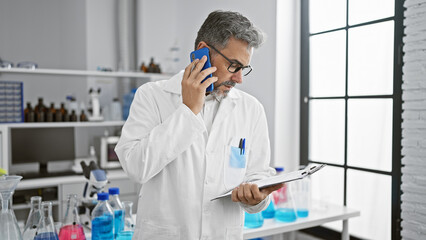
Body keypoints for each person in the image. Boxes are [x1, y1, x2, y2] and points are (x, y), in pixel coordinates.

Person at [115, 10, 283, 239]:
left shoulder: (251, 109)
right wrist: (188, 110)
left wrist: (256, 199)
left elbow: (257, 175)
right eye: (234, 66)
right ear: (202, 53)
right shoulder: (152, 96)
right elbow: (136, 167)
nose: (239, 79)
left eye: (244, 68)